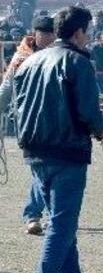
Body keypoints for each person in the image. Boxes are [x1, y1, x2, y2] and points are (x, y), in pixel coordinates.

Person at [14, 5, 103, 273]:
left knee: (60, 225)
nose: (88, 37)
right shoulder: (79, 62)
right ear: (79, 32)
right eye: (88, 31)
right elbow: (89, 111)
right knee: (61, 228)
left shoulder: (30, 62)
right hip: (67, 151)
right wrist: (100, 129)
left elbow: (17, 105)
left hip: (35, 152)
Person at [0, 16, 56, 236]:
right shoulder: (21, 58)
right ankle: (35, 215)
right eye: (46, 33)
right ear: (36, 34)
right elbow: (6, 88)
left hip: (54, 120)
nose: (50, 38)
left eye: (52, 33)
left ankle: (39, 214)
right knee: (41, 168)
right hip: (30, 122)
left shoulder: (58, 54)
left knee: (46, 167)